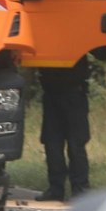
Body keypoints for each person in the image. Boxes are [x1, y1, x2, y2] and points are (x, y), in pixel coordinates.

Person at [36, 56, 92, 202]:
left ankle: (80, 189)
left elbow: (102, 51)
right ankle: (56, 189)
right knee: (52, 143)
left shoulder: (79, 34)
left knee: (76, 144)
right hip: (52, 92)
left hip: (74, 92)